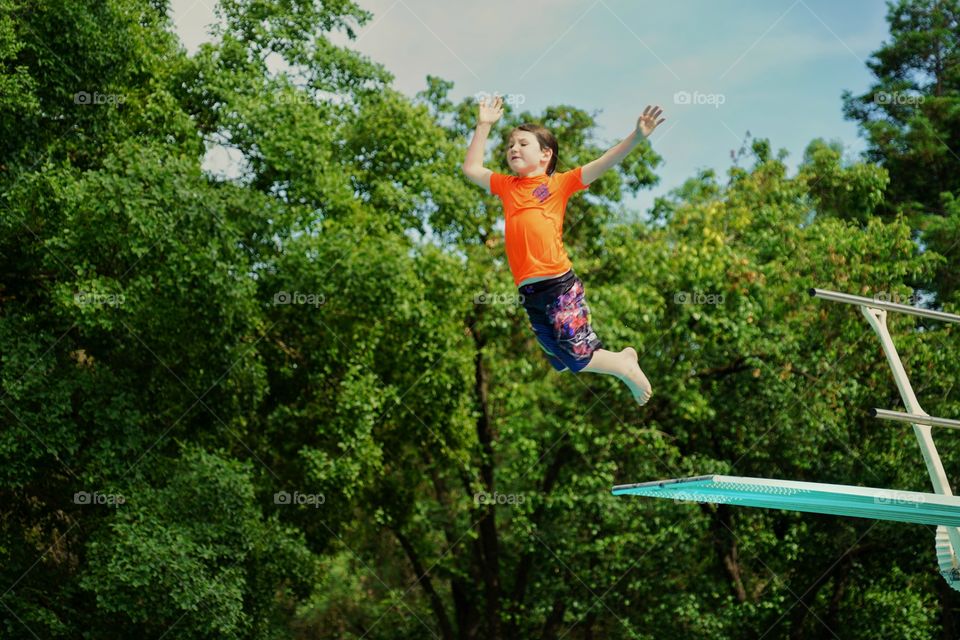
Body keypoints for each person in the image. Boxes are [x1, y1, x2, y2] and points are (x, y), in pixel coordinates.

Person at [461, 95, 665, 406]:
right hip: (528, 290)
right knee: (559, 359)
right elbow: (472, 168)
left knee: (578, 356)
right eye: (510, 145)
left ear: (546, 154)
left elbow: (603, 162)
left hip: (558, 283)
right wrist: (484, 125)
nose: (513, 148)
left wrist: (636, 137)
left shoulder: (559, 184)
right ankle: (616, 359)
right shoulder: (506, 186)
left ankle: (624, 365)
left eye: (522, 144)